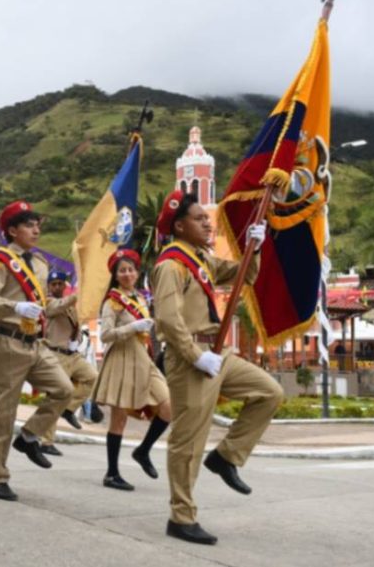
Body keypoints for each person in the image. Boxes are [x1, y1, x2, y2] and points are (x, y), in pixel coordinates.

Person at [151, 190, 282, 545]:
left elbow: (243, 276)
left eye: (207, 218)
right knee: (188, 441)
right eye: (199, 219)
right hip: (192, 356)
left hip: (217, 353)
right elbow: (167, 317)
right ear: (179, 226)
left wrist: (253, 246)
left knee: (269, 392)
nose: (207, 223)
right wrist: (195, 355)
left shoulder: (202, 260)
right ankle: (181, 517)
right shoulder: (171, 264)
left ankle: (226, 457)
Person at [0, 201, 73, 502]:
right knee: (4, 414)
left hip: (36, 342)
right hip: (8, 341)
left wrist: (73, 300)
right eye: (29, 224)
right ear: (12, 230)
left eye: (37, 224)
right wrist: (15, 306)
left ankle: (30, 436)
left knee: (64, 389)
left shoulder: (42, 264)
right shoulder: (0, 262)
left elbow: (45, 305)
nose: (36, 229)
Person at [93, 248, 172, 491]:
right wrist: (132, 327)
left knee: (168, 406)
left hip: (143, 358)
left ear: (137, 273)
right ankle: (112, 473)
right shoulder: (112, 301)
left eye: (131, 269)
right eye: (122, 270)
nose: (127, 273)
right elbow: (105, 335)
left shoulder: (140, 298)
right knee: (119, 419)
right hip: (122, 359)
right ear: (116, 275)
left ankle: (143, 450)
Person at [38, 270, 98, 457]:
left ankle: (69, 409)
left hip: (72, 354)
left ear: (65, 285)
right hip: (56, 354)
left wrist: (77, 337)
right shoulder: (49, 302)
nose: (56, 287)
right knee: (55, 395)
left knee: (92, 377)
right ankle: (46, 442)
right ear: (49, 286)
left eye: (60, 284)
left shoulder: (72, 305)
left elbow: (75, 324)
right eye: (53, 283)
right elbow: (59, 307)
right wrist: (79, 293)